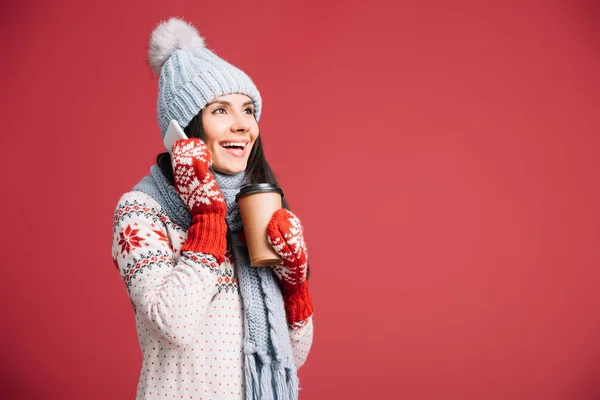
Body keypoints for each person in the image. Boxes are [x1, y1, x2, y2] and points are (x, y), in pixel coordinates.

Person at [111, 17, 314, 400]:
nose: (243, 125)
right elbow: (174, 324)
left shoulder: (258, 211)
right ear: (186, 128)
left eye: (248, 110)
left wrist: (294, 283)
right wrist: (206, 216)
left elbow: (293, 358)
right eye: (220, 110)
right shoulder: (140, 212)